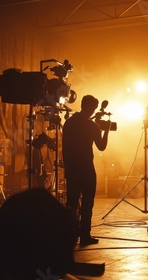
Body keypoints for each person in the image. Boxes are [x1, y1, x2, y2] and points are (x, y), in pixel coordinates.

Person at [62, 95, 110, 246]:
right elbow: (101, 146)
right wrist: (106, 130)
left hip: (71, 167)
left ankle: (69, 234)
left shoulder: (69, 123)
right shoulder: (92, 126)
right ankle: (85, 236)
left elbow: (65, 148)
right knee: (87, 203)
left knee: (72, 202)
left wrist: (67, 167)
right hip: (86, 168)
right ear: (92, 108)